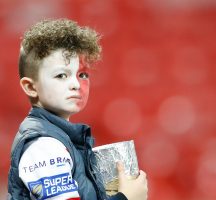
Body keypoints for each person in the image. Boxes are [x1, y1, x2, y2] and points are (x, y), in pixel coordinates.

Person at [7, 18, 148, 200]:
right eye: (61, 75)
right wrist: (126, 198)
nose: (75, 84)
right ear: (31, 87)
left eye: (82, 74)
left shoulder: (61, 139)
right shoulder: (44, 146)